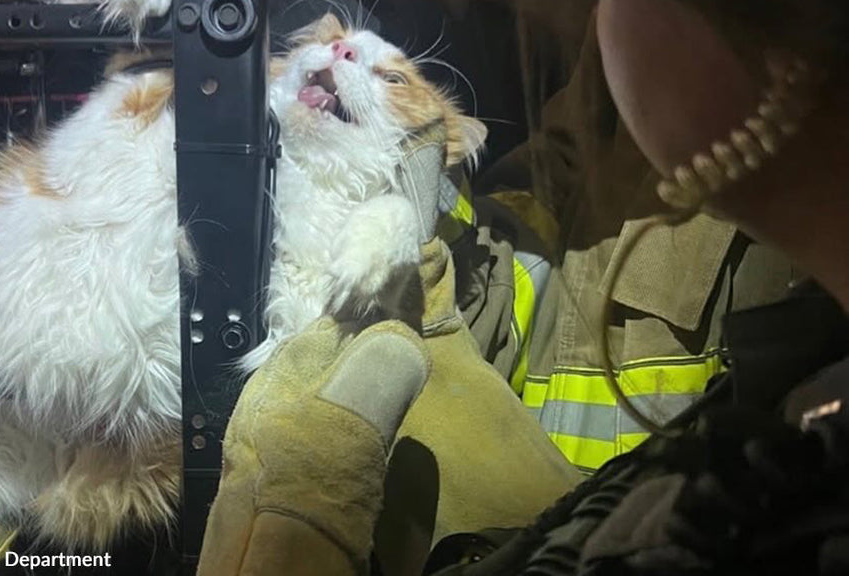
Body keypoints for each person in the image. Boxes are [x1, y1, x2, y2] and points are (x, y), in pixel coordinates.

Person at [195, 0, 849, 573]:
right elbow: (535, 221)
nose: (600, 18)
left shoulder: (803, 476)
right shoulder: (601, 107)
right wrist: (435, 240)